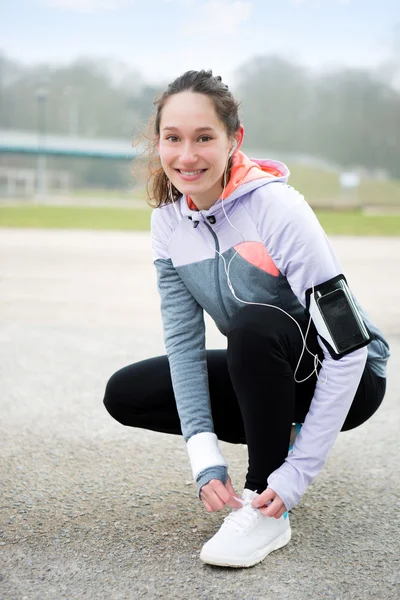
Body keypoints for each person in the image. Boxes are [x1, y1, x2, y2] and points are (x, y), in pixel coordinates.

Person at [103, 70, 389, 568]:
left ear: (235, 139)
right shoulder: (167, 225)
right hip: (269, 368)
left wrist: (295, 475)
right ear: (158, 142)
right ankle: (284, 431)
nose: (187, 156)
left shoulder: (278, 207)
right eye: (173, 138)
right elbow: (184, 345)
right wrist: (204, 457)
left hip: (350, 374)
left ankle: (266, 507)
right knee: (127, 392)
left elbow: (349, 346)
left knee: (253, 327)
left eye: (204, 138)